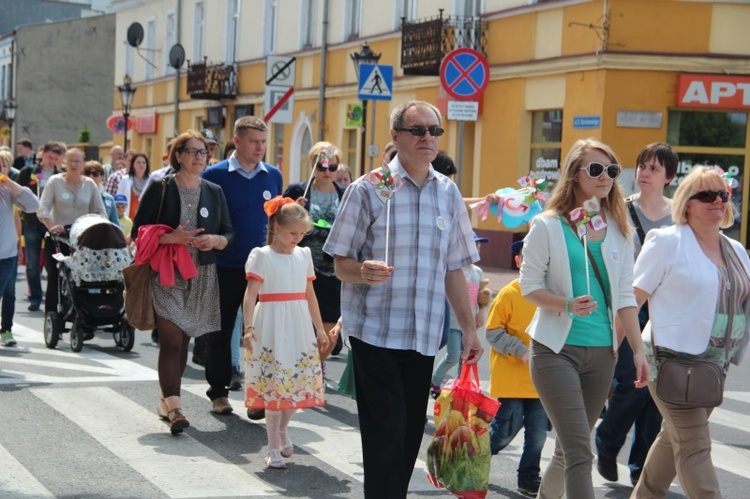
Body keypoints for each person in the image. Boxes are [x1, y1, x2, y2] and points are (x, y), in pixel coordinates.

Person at [323, 100, 483, 498]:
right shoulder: (369, 188)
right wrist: (361, 271)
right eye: (418, 130)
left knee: (409, 435)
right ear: (396, 136)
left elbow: (455, 269)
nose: (428, 138)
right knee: (386, 437)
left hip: (424, 334)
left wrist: (469, 330)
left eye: (434, 131)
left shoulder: (448, 193)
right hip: (375, 330)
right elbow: (338, 262)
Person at [519, 138, 648, 499]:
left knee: (566, 450)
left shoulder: (621, 231)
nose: (605, 177)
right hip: (555, 350)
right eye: (595, 170)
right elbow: (528, 287)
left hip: (602, 354)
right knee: (580, 451)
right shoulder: (547, 225)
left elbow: (625, 297)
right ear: (575, 175)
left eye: (611, 171)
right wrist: (566, 304)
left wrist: (637, 351)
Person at [630, 167, 750, 499]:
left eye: (723, 195)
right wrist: (624, 351)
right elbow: (632, 299)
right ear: (686, 204)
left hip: (713, 366)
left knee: (675, 438)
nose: (718, 201)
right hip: (669, 361)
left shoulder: (737, 251)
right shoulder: (667, 242)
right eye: (706, 196)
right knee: (695, 445)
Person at [131, 130, 234, 434]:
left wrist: (215, 240)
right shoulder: (161, 187)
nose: (199, 157)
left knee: (184, 341)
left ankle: (165, 399)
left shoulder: (214, 190)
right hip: (166, 272)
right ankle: (176, 408)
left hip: (201, 275)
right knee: (172, 339)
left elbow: (229, 233)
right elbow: (139, 231)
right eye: (192, 151)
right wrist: (170, 238)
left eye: (203, 152)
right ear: (178, 155)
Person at [596, 143, 678, 486]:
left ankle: (641, 467)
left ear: (669, 177)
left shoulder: (681, 214)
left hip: (668, 313)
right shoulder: (621, 209)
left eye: (654, 169)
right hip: (629, 309)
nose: (644, 174)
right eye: (642, 167)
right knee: (635, 386)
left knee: (657, 398)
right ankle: (608, 440)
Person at [201, 115, 283, 416]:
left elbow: (275, 219)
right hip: (225, 264)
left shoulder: (272, 175)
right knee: (220, 329)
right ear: (237, 141)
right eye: (254, 141)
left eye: (264, 142)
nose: (260, 147)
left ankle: (258, 393)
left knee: (262, 331)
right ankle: (218, 392)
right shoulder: (214, 174)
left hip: (263, 267)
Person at [242, 198, 328, 468]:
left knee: (296, 382)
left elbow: (311, 295)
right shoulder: (262, 255)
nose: (298, 238)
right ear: (276, 228)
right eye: (293, 233)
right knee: (273, 386)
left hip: (298, 323)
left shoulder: (304, 255)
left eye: (302, 234)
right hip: (270, 322)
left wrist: (319, 327)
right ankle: (272, 447)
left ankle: (282, 430)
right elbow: (250, 296)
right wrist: (248, 328)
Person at [486, 238, 549, 497]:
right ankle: (473, 456)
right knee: (504, 431)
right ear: (518, 261)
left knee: (538, 435)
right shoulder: (509, 293)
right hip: (511, 380)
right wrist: (520, 350)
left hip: (542, 381)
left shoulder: (551, 295)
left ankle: (528, 477)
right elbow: (492, 332)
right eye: (527, 257)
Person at [283, 141, 346, 357]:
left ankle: (317, 366)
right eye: (322, 167)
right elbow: (277, 224)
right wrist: (294, 210)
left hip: (332, 269)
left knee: (329, 330)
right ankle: (301, 367)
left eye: (333, 167)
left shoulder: (345, 194)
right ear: (313, 166)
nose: (327, 172)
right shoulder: (299, 191)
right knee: (302, 323)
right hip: (302, 268)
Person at [37, 148, 107, 316]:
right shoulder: (55, 182)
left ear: (83, 164)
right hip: (58, 239)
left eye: (77, 161)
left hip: (82, 241)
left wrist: (93, 227)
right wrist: (52, 225)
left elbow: (100, 211)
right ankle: (52, 317)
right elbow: (42, 209)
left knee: (82, 280)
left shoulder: (89, 184)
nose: (74, 164)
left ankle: (83, 316)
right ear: (63, 163)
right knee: (55, 279)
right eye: (70, 161)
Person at [430, 231, 491, 396]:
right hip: (452, 323)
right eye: (473, 245)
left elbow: (480, 297)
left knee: (466, 358)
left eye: (477, 246)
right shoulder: (453, 270)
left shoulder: (478, 271)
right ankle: (435, 381)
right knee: (452, 356)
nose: (476, 249)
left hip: (469, 325)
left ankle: (460, 388)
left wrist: (481, 313)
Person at [16, 141, 64, 312]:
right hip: (32, 222)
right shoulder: (28, 172)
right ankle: (35, 297)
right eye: (50, 157)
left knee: (55, 262)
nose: (52, 161)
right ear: (42, 154)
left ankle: (54, 297)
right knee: (32, 263)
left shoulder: (60, 176)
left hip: (52, 222)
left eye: (56, 159)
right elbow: (18, 194)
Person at [1, 150, 40, 347]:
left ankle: (6, 329)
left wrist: (7, 181)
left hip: (7, 254)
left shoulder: (7, 189)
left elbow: (33, 205)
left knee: (9, 293)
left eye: (3, 166)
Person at [115, 152, 151, 221]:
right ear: (133, 165)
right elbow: (119, 199)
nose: (141, 165)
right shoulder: (125, 180)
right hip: (128, 219)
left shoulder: (151, 181)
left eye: (144, 162)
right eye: (138, 162)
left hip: (145, 219)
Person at [83, 161, 119, 226]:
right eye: (87, 173)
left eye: (95, 174)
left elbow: (115, 223)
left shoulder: (109, 199)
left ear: (102, 176)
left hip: (102, 232)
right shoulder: (79, 195)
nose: (91, 176)